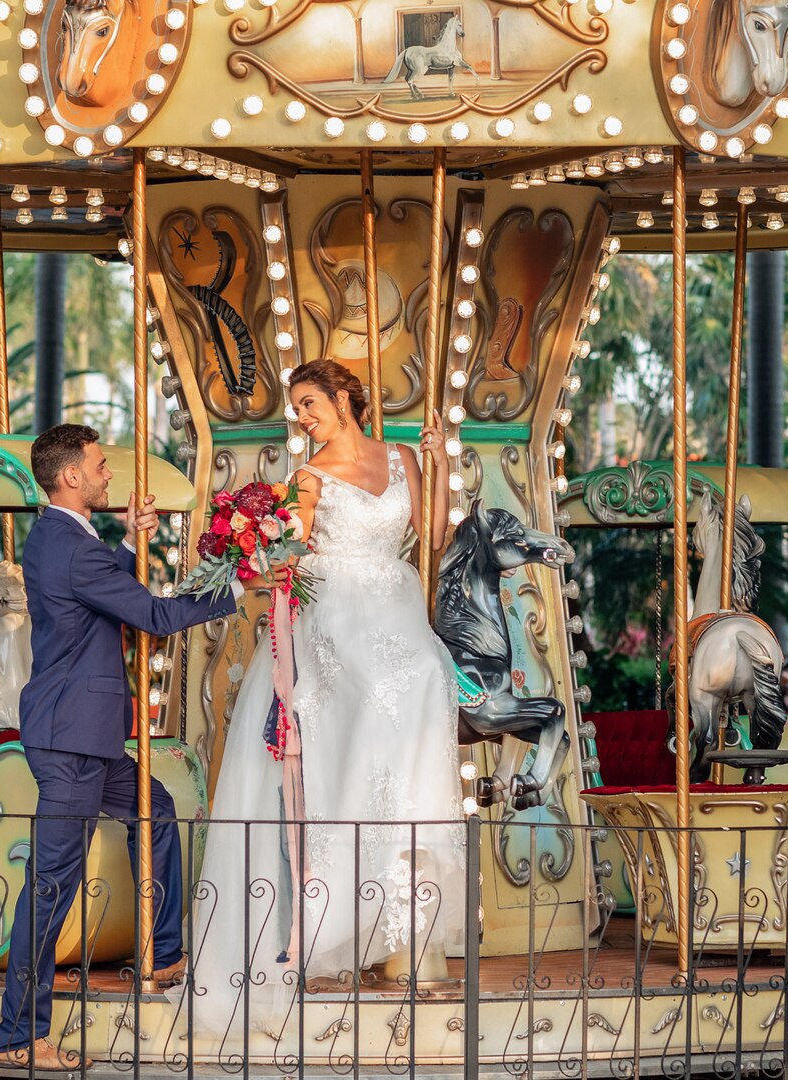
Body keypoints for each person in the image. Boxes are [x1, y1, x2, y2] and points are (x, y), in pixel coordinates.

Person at [181, 359, 468, 1044]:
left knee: (429, 680)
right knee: (358, 735)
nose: (303, 417)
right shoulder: (307, 477)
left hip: (396, 608)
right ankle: (327, 910)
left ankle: (399, 916)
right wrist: (258, 552)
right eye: (298, 407)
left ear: (345, 397)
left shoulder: (401, 456)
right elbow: (289, 551)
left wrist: (438, 464)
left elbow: (431, 537)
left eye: (310, 403)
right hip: (336, 612)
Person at [0, 423, 263, 1071]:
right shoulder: (70, 547)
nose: (110, 473)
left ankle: (161, 951)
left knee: (156, 809)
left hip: (82, 732)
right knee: (51, 885)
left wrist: (133, 540)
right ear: (71, 477)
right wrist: (243, 587)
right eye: (100, 464)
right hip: (71, 738)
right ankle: (18, 1037)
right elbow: (153, 616)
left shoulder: (65, 537)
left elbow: (102, 585)